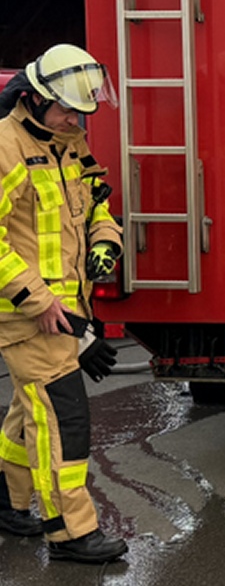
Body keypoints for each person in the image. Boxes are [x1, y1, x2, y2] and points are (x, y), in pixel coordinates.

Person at [0, 45, 129, 563]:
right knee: (60, 418)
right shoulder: (6, 146)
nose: (75, 119)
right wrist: (35, 297)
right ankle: (70, 530)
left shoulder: (67, 145)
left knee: (28, 410)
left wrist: (106, 243)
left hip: (65, 311)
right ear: (33, 99)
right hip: (28, 314)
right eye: (67, 110)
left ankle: (6, 498)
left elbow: (97, 203)